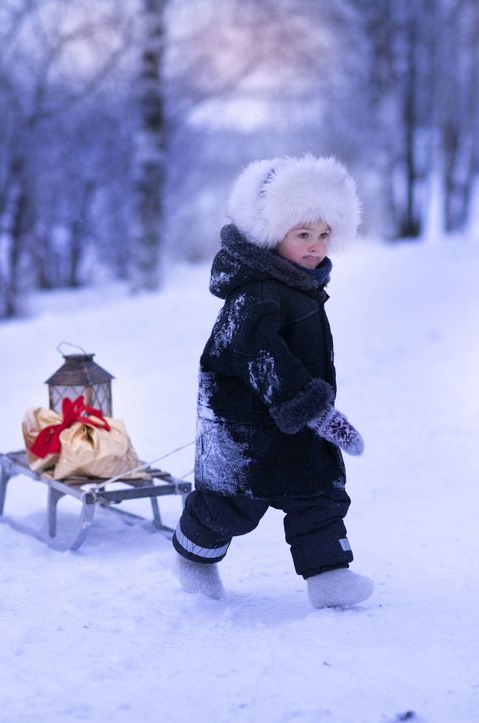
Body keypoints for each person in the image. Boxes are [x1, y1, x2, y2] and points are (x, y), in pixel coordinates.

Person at [172, 154, 374, 609]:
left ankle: (330, 577)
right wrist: (315, 410)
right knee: (231, 505)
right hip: (247, 429)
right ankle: (193, 559)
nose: (316, 246)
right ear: (270, 233)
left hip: (296, 425)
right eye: (303, 234)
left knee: (318, 495)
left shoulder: (298, 284)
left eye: (324, 234)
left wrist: (311, 414)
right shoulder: (258, 295)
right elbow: (262, 358)